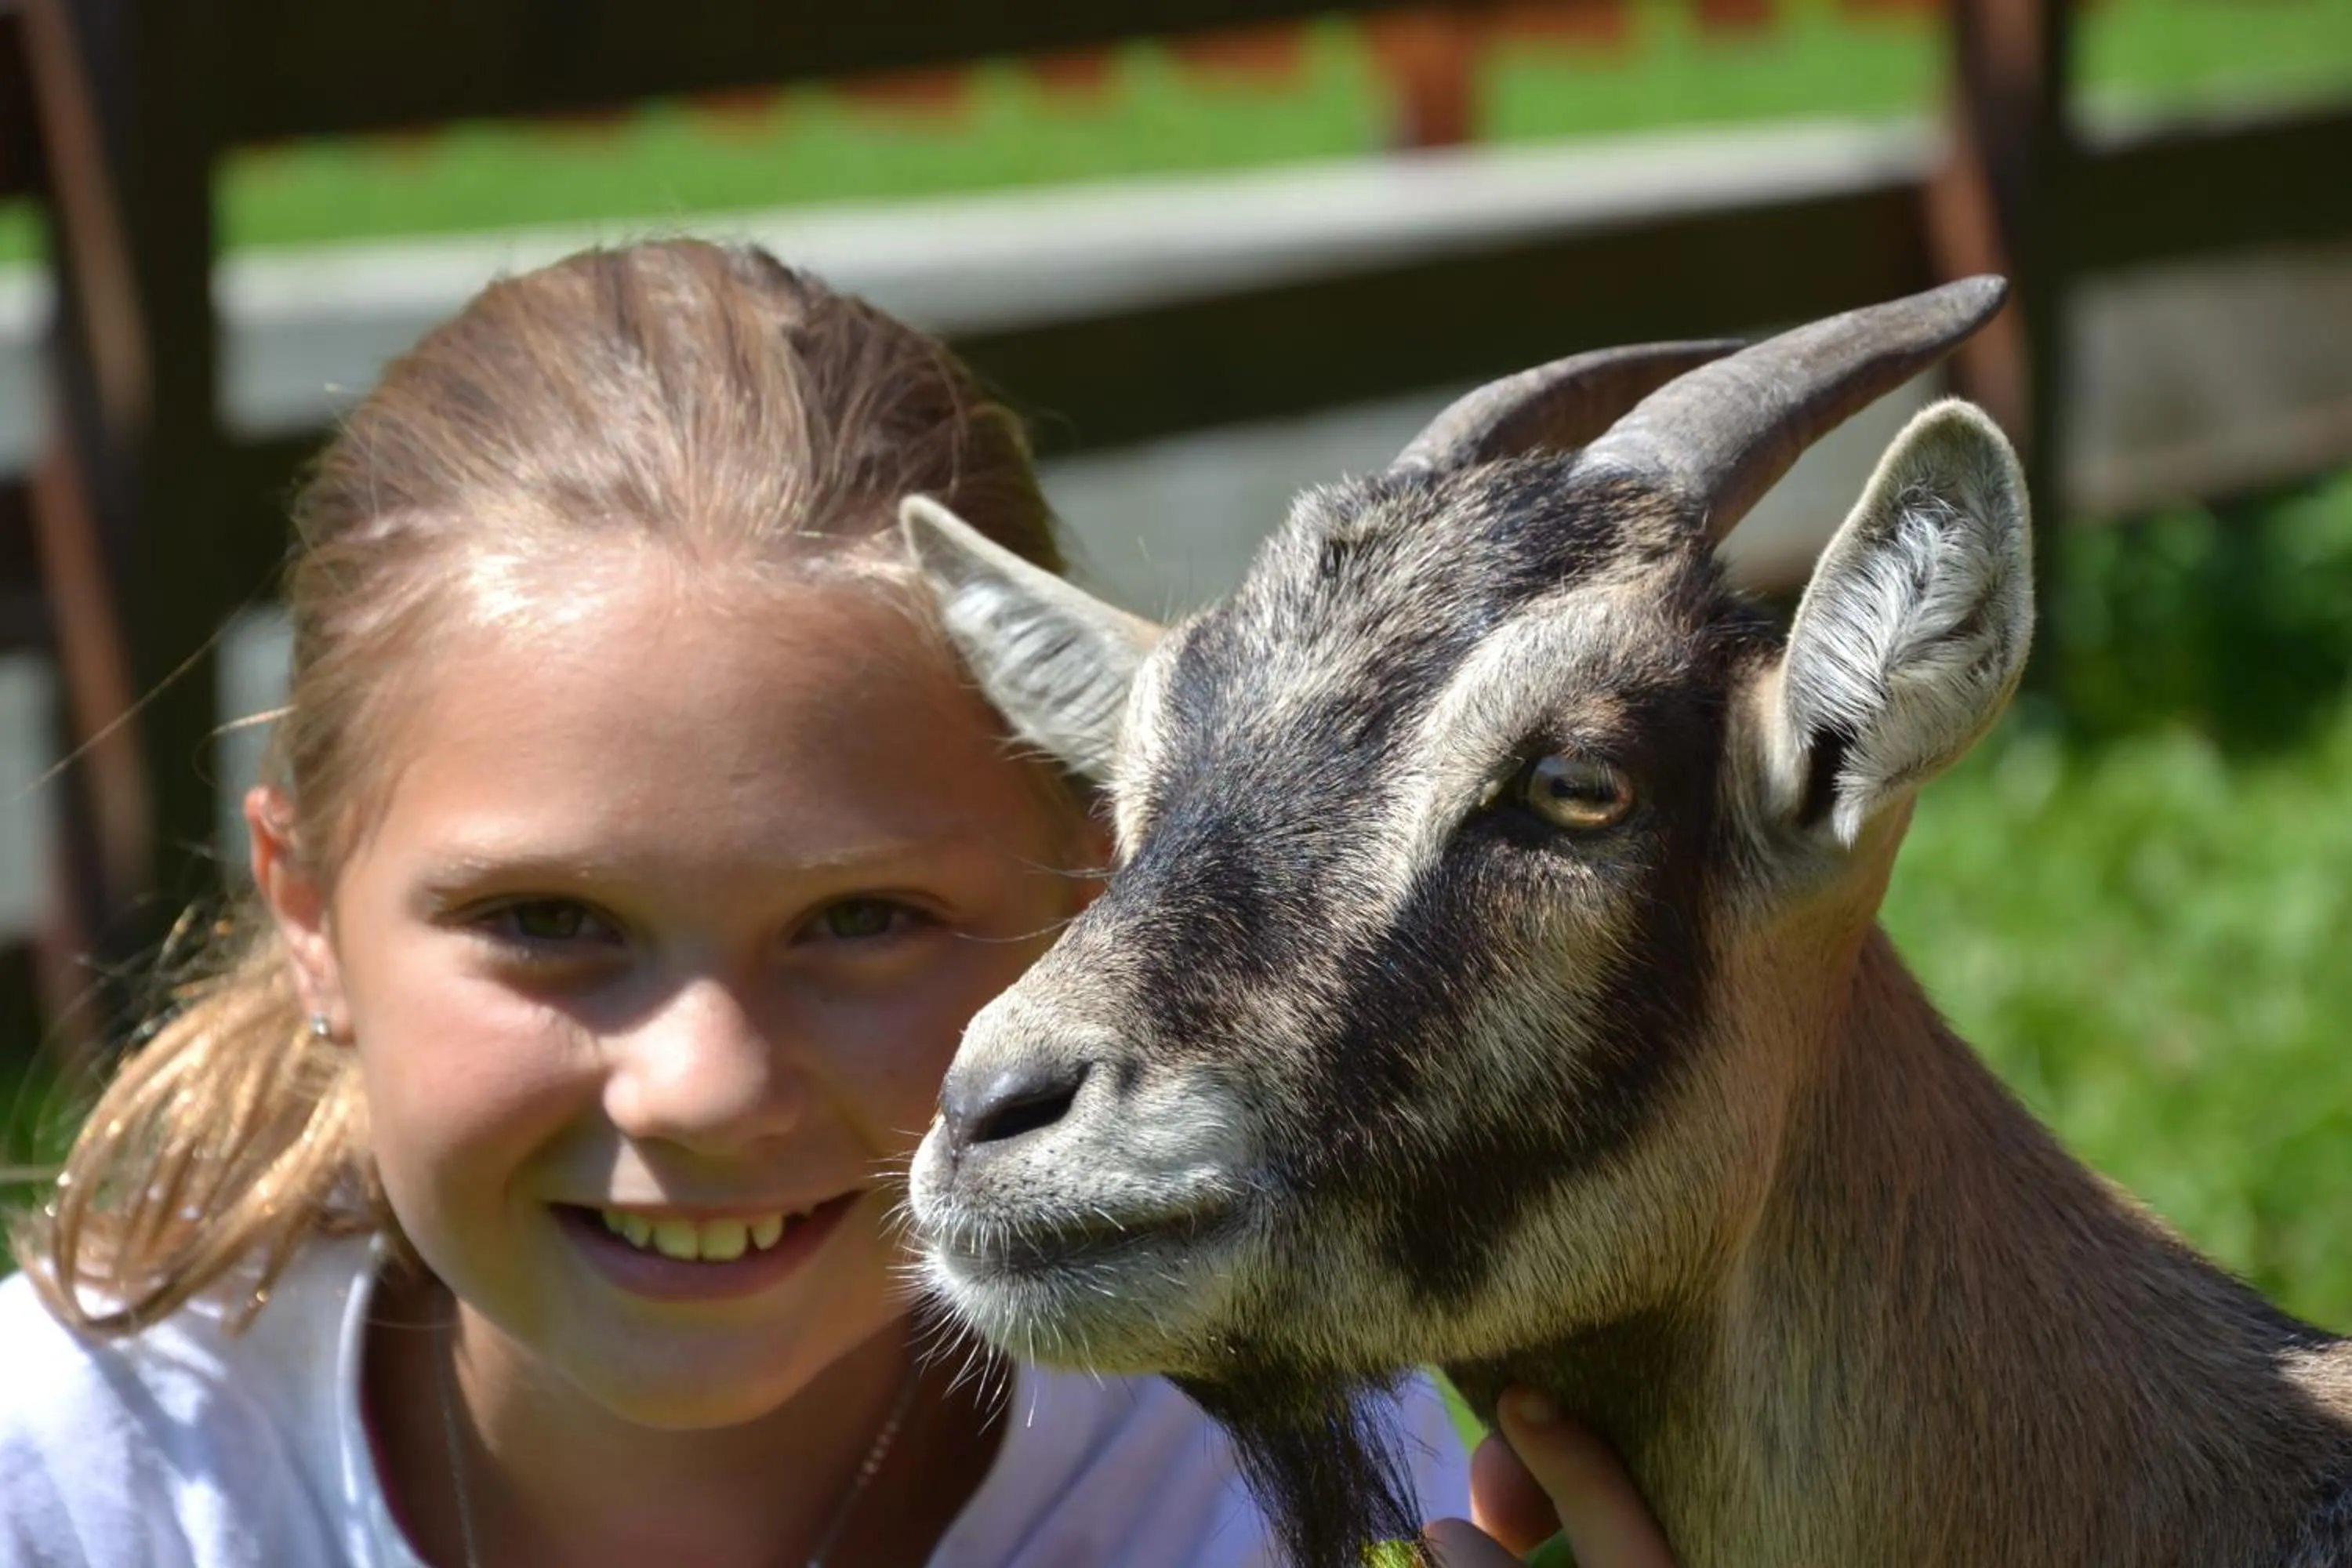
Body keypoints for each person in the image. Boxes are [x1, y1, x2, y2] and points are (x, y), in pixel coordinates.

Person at [0, 239, 1490, 1568]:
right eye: (547, 921)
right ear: (310, 916)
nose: (706, 1091)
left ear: (1088, 899)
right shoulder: (70, 1491)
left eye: (860, 922)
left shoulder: (1277, 1484)